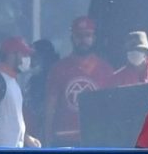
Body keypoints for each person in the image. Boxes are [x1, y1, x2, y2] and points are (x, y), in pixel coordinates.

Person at [43, 16, 116, 145]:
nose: (83, 40)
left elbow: (112, 108)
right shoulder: (59, 68)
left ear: (94, 38)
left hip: (96, 139)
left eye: (87, 35)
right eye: (79, 35)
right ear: (72, 38)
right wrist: (47, 139)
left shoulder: (106, 69)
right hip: (64, 140)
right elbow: (50, 107)